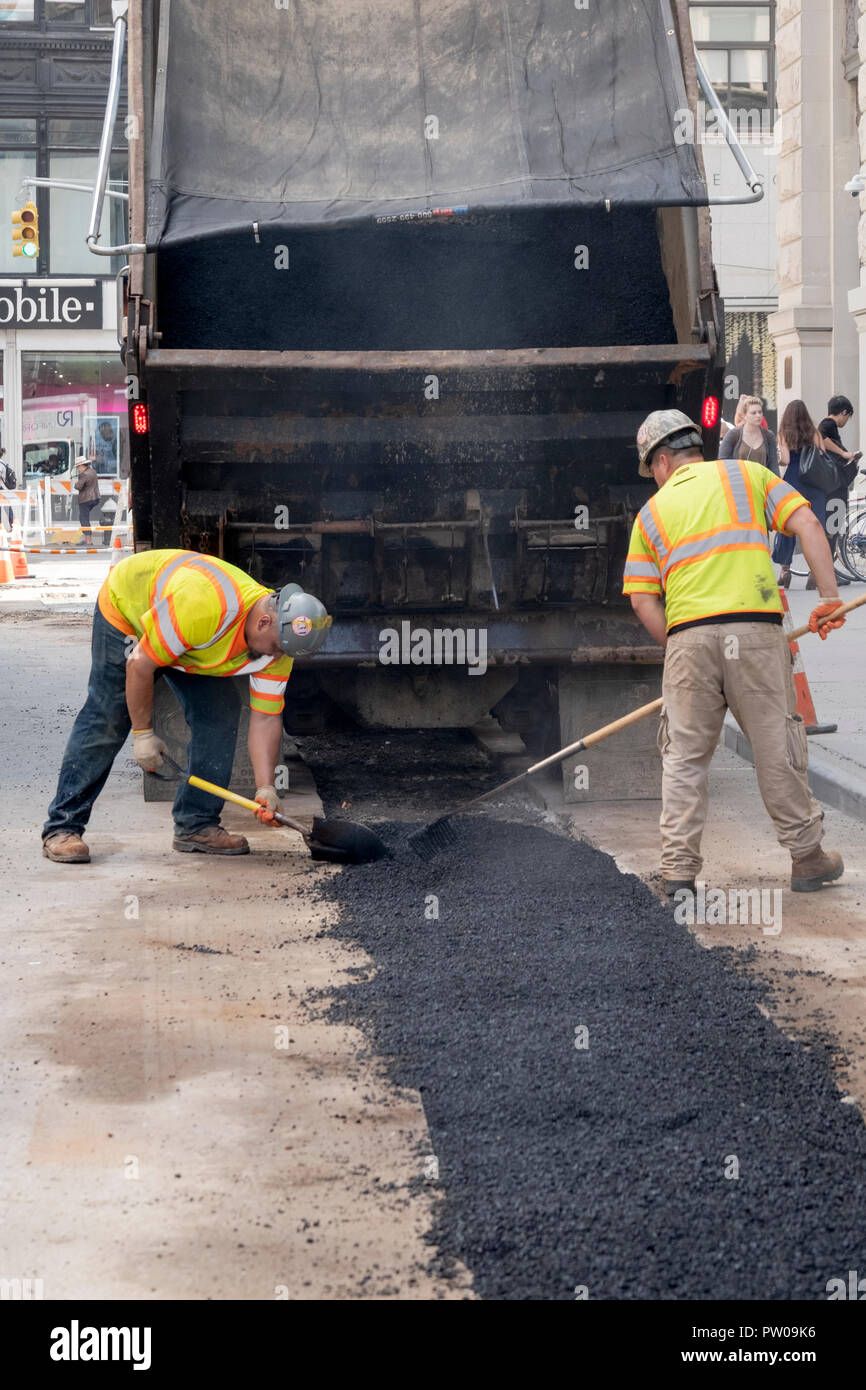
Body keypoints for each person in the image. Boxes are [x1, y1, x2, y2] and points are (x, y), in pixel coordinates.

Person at [623, 409, 845, 897]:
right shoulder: (748, 474)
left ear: (662, 461)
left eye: (650, 470)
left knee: (684, 759)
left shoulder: (651, 514)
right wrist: (829, 600)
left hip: (687, 640)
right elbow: (807, 522)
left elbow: (643, 599)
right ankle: (808, 859)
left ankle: (679, 873)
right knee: (774, 747)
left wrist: (681, 645)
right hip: (755, 633)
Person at [41, 549, 331, 864]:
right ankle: (63, 826)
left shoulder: (279, 647)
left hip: (187, 642)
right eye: (276, 647)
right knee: (109, 715)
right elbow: (139, 665)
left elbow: (265, 717)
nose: (277, 656)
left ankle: (196, 825)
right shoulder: (206, 606)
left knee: (219, 713)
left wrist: (266, 787)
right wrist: (143, 734)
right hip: (129, 612)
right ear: (264, 621)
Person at [771, 400, 832, 590]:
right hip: (814, 482)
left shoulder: (784, 433)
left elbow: (786, 459)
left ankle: (785, 571)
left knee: (788, 526)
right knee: (816, 528)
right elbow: (821, 453)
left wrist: (778, 459)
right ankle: (814, 573)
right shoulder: (813, 431)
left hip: (793, 482)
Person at [817, 395, 861, 585]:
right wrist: (845, 453)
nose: (846, 421)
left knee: (832, 529)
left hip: (833, 487)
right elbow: (822, 438)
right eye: (848, 417)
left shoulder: (829, 426)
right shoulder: (828, 424)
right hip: (834, 489)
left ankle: (829, 571)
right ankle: (828, 573)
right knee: (832, 529)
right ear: (844, 413)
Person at [718, 394, 779, 474]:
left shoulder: (768, 435)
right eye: (753, 413)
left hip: (761, 483)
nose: (758, 415)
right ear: (744, 416)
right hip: (739, 483)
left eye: (760, 412)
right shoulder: (733, 434)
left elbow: (773, 465)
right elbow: (722, 462)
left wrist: (778, 485)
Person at [73, 454, 100, 545]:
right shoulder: (93, 471)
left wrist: (76, 482)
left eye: (77, 467)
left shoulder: (83, 474)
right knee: (85, 518)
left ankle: (88, 541)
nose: (77, 469)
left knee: (83, 519)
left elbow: (78, 486)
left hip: (86, 499)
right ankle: (86, 539)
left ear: (81, 465)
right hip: (95, 498)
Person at [0, 446, 14, 529]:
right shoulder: (2, 462)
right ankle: (12, 525)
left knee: (6, 507)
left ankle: (12, 525)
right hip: (3, 488)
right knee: (7, 507)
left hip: (1, 488)